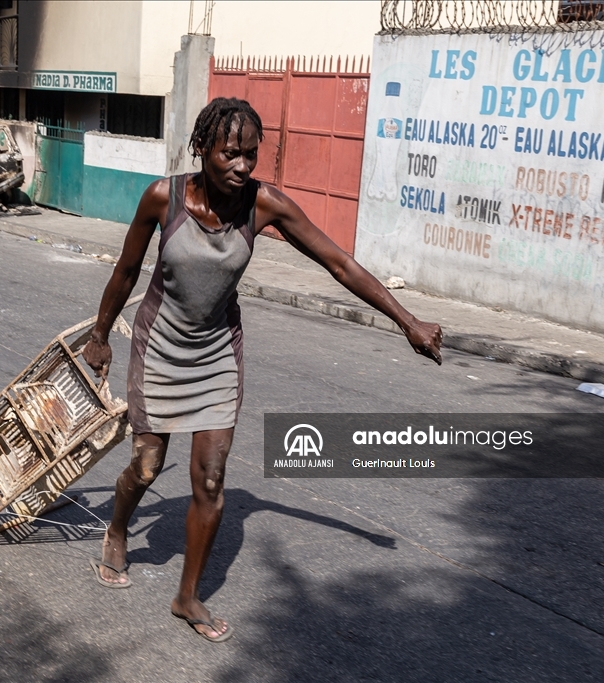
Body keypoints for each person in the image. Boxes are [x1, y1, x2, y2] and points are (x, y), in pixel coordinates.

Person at [83, 97, 442, 642]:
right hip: (159, 348)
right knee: (148, 466)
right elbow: (128, 269)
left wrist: (407, 321)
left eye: (251, 155)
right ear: (202, 148)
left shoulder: (264, 205)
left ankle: (187, 596)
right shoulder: (163, 197)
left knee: (210, 478)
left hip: (217, 356)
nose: (243, 167)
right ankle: (117, 526)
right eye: (231, 153)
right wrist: (100, 334)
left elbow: (339, 262)